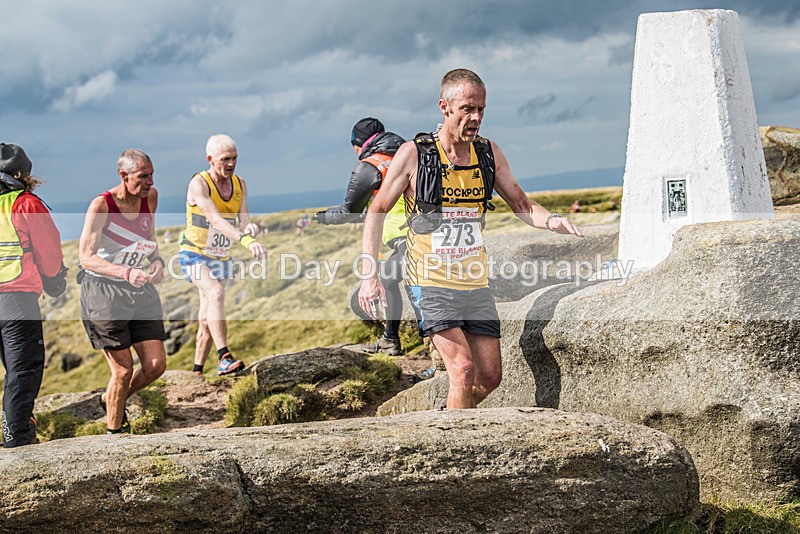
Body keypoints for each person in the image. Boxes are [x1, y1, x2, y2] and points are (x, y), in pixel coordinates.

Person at [359, 69, 584, 409]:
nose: (476, 117)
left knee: (489, 377)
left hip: (473, 281)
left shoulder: (488, 153)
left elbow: (521, 204)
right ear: (444, 107)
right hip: (429, 280)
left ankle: (447, 419)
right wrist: (369, 274)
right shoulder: (415, 154)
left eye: (481, 109)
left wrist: (551, 219)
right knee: (462, 369)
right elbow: (376, 210)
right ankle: (450, 447)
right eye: (467, 108)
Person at [78, 149, 167, 434]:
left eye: (151, 175)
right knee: (123, 370)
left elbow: (149, 238)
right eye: (143, 177)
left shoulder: (149, 198)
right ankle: (114, 435)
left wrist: (156, 261)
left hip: (138, 289)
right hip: (103, 292)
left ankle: (112, 399)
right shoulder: (101, 205)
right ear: (123, 176)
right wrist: (125, 272)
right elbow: (86, 256)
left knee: (155, 365)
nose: (150, 182)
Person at [314, 118, 407, 355]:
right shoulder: (408, 154)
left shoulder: (371, 166)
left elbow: (349, 211)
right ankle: (391, 339)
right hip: (424, 235)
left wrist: (324, 217)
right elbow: (371, 211)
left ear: (359, 144)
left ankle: (402, 344)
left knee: (397, 284)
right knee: (390, 279)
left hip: (409, 240)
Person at [179, 134, 267, 376]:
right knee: (215, 292)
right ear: (210, 159)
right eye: (225, 159)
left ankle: (197, 370)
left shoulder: (240, 184)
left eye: (234, 158)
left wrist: (249, 227)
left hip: (220, 256)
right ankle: (224, 357)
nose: (231, 164)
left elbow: (243, 217)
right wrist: (246, 240)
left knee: (208, 316)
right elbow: (215, 220)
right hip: (194, 254)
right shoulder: (199, 184)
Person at [0, 143, 67, 447]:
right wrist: (54, 281)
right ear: (23, 173)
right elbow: (49, 251)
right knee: (23, 369)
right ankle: (18, 438)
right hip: (15, 298)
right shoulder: (25, 204)